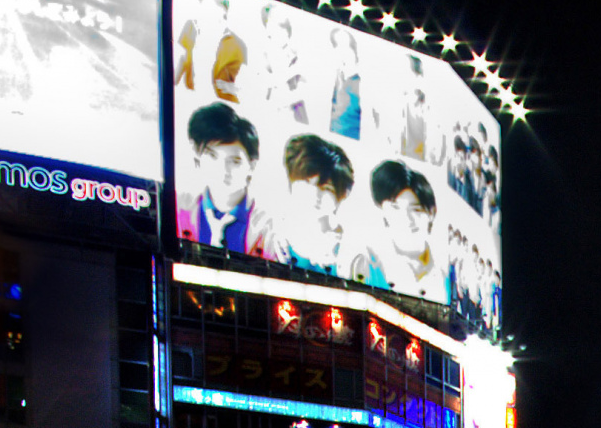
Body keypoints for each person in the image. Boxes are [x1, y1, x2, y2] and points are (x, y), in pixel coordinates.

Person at [253, 134, 354, 275]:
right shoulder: (270, 234)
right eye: (307, 183)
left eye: (326, 189)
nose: (316, 195)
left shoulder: (348, 252)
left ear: (341, 196)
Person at [350, 161, 443, 301]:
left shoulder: (445, 279)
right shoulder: (369, 266)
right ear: (384, 212)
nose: (407, 219)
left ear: (431, 213)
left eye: (416, 209)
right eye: (395, 208)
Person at [179, 103, 260, 252]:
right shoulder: (179, 209)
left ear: (252, 166)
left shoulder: (267, 228)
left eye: (234, 161)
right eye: (212, 156)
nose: (223, 170)